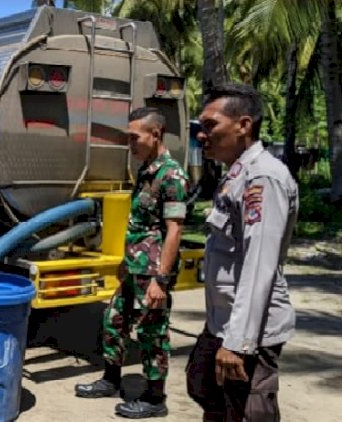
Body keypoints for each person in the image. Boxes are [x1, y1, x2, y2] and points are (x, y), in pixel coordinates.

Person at [186, 83, 297, 422]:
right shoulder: (237, 174)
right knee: (202, 385)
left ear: (244, 125)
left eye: (210, 126)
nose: (202, 136)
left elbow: (259, 264)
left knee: (248, 412)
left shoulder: (264, 177)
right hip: (224, 321)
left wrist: (237, 343)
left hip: (249, 332)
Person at [75, 107, 189, 419]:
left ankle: (155, 398)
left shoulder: (172, 175)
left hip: (153, 272)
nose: (130, 144)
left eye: (134, 137)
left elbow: (174, 230)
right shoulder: (146, 169)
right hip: (135, 267)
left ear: (156, 135)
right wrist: (127, 263)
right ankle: (111, 379)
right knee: (113, 321)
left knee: (153, 333)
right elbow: (142, 225)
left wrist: (161, 280)